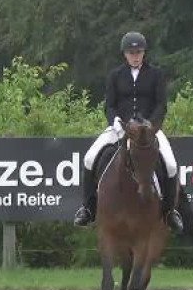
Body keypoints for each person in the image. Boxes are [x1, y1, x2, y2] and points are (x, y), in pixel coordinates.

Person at [73, 31, 184, 233]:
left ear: (144, 53)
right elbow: (110, 105)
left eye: (138, 52)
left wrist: (151, 124)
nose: (135, 56)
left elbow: (161, 104)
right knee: (89, 158)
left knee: (170, 163)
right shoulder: (115, 75)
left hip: (149, 130)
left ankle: (169, 212)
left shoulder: (156, 75)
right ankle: (88, 208)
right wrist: (115, 122)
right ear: (125, 54)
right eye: (131, 52)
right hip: (119, 128)